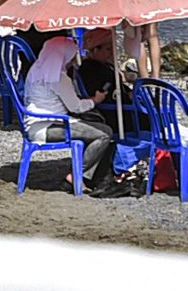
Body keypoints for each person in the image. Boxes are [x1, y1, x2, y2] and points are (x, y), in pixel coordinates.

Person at [23, 35, 123, 197]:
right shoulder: (59, 77)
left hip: (34, 124)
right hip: (50, 126)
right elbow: (76, 107)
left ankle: (82, 174)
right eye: (70, 58)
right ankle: (78, 175)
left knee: (94, 129)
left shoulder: (36, 70)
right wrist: (94, 101)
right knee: (104, 133)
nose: (72, 62)